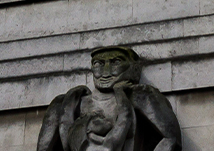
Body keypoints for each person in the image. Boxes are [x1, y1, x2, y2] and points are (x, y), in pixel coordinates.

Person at [35, 46, 181, 151]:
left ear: (134, 68)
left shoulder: (142, 96)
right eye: (98, 64)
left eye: (116, 62)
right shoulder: (65, 104)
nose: (105, 72)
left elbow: (171, 139)